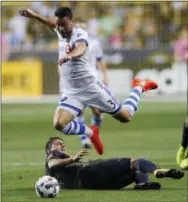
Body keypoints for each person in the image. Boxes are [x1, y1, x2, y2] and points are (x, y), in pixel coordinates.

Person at [20, 7, 158, 156]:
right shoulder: (60, 30)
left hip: (91, 88)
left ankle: (139, 86)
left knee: (125, 117)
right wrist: (34, 15)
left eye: (63, 24)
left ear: (70, 21)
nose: (60, 28)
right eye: (58, 24)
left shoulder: (79, 33)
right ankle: (91, 133)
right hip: (72, 92)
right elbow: (50, 23)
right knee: (59, 124)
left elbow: (81, 48)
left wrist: (69, 56)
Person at [45, 136, 184, 190]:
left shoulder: (57, 171)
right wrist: (72, 159)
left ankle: (142, 184)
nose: (62, 146)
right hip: (90, 171)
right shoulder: (53, 156)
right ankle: (157, 171)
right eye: (58, 144)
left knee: (133, 171)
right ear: (49, 149)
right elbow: (52, 163)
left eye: (63, 144)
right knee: (134, 162)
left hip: (94, 185)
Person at [73, 18, 108, 148]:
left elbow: (100, 60)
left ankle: (94, 134)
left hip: (93, 79)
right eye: (79, 27)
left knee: (98, 111)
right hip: (76, 81)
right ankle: (84, 139)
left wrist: (105, 75)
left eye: (84, 27)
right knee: (78, 111)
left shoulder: (94, 43)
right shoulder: (69, 43)